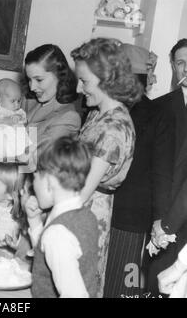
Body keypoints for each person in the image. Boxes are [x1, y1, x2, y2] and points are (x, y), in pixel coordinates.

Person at [71, 38, 143, 297]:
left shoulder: (114, 128)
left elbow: (82, 194)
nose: (80, 89)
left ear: (107, 80)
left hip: (85, 217)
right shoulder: (98, 114)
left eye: (85, 81)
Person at [103, 44, 175, 298]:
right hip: (124, 215)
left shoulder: (145, 112)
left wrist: (160, 220)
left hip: (126, 216)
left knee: (116, 284)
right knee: (120, 284)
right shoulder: (153, 111)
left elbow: (159, 171)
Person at [28, 136, 99, 298]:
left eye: (34, 177)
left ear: (49, 182)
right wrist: (34, 222)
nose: (32, 185)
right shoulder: (86, 216)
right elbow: (46, 256)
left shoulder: (57, 234)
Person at [147, 39, 187, 294]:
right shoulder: (160, 108)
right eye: (182, 63)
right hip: (166, 221)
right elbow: (157, 171)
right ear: (173, 67)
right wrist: (161, 220)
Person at [23, 44, 81, 150]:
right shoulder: (30, 102)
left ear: (59, 76)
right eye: (30, 80)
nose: (32, 87)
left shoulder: (69, 118)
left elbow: (34, 159)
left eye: (39, 80)